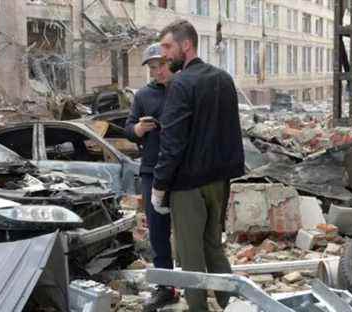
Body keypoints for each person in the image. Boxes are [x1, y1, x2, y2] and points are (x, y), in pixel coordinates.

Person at [151, 19, 245, 311]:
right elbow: (232, 131)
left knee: (190, 256)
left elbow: (173, 141)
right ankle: (233, 304)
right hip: (219, 182)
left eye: (167, 46)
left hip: (188, 187)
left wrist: (159, 186)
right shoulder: (223, 78)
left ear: (186, 44)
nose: (164, 55)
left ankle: (198, 309)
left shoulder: (181, 83)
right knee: (213, 246)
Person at [124, 43, 178, 311]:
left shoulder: (182, 90)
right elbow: (128, 129)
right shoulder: (143, 95)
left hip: (183, 173)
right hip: (151, 171)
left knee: (189, 231)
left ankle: (196, 284)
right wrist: (138, 128)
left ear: (171, 62)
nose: (157, 72)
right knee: (157, 232)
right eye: (152, 68)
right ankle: (166, 287)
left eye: (160, 65)